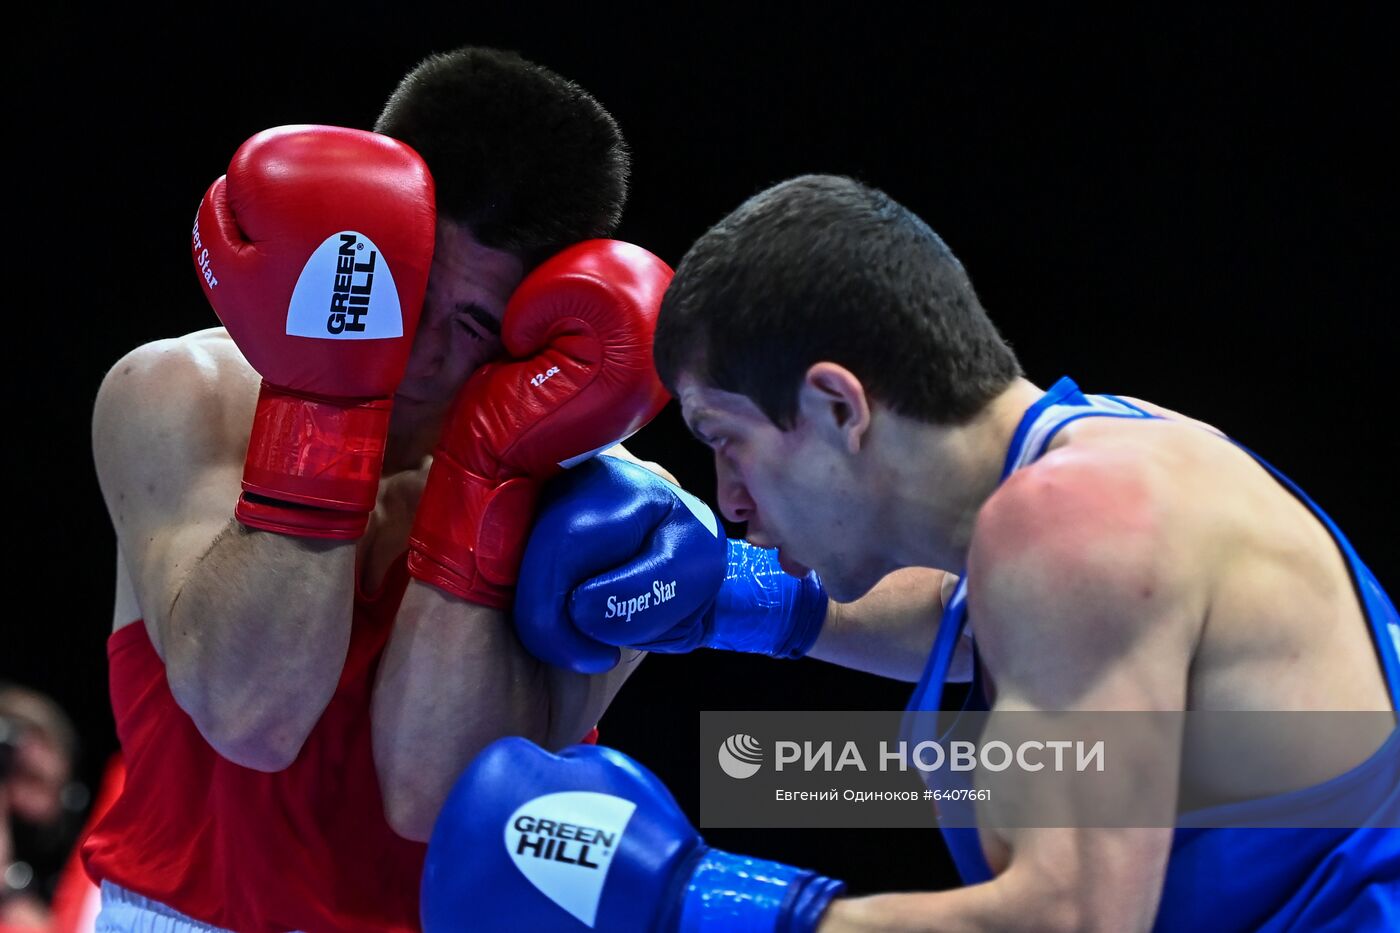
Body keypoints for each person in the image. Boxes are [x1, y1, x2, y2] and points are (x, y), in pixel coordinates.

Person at [423, 174, 1399, 930]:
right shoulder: (1086, 469)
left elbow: (1069, 921)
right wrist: (727, 593)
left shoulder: (1077, 524)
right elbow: (975, 626)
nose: (727, 502)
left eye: (727, 441)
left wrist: (693, 902)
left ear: (836, 406)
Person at [84, 46, 675, 933]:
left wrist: (485, 474)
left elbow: (434, 799)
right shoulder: (184, 394)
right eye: (405, 285)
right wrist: (326, 398)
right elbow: (250, 716)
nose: (419, 350)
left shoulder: (607, 512)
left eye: (474, 323)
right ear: (358, 235)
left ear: (544, 317)